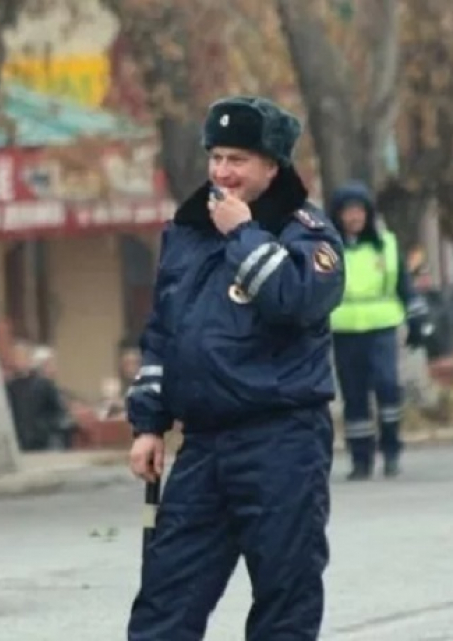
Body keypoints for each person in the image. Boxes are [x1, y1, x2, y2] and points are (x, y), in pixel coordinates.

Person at [126, 96, 345, 640]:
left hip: (282, 441)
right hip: (202, 446)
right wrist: (148, 423)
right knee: (165, 597)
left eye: (238, 160)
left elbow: (296, 301)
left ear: (272, 166)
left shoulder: (308, 234)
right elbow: (164, 332)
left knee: (284, 595)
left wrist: (243, 234)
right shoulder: (186, 232)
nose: (222, 172)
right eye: (217, 157)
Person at [328, 181, 430, 480]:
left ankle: (392, 450)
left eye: (359, 211)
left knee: (387, 388)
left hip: (382, 327)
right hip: (344, 329)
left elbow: (405, 287)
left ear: (368, 213)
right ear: (338, 215)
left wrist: (418, 322)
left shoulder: (386, 244)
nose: (354, 217)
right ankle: (361, 459)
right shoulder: (329, 247)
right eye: (348, 212)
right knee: (354, 396)